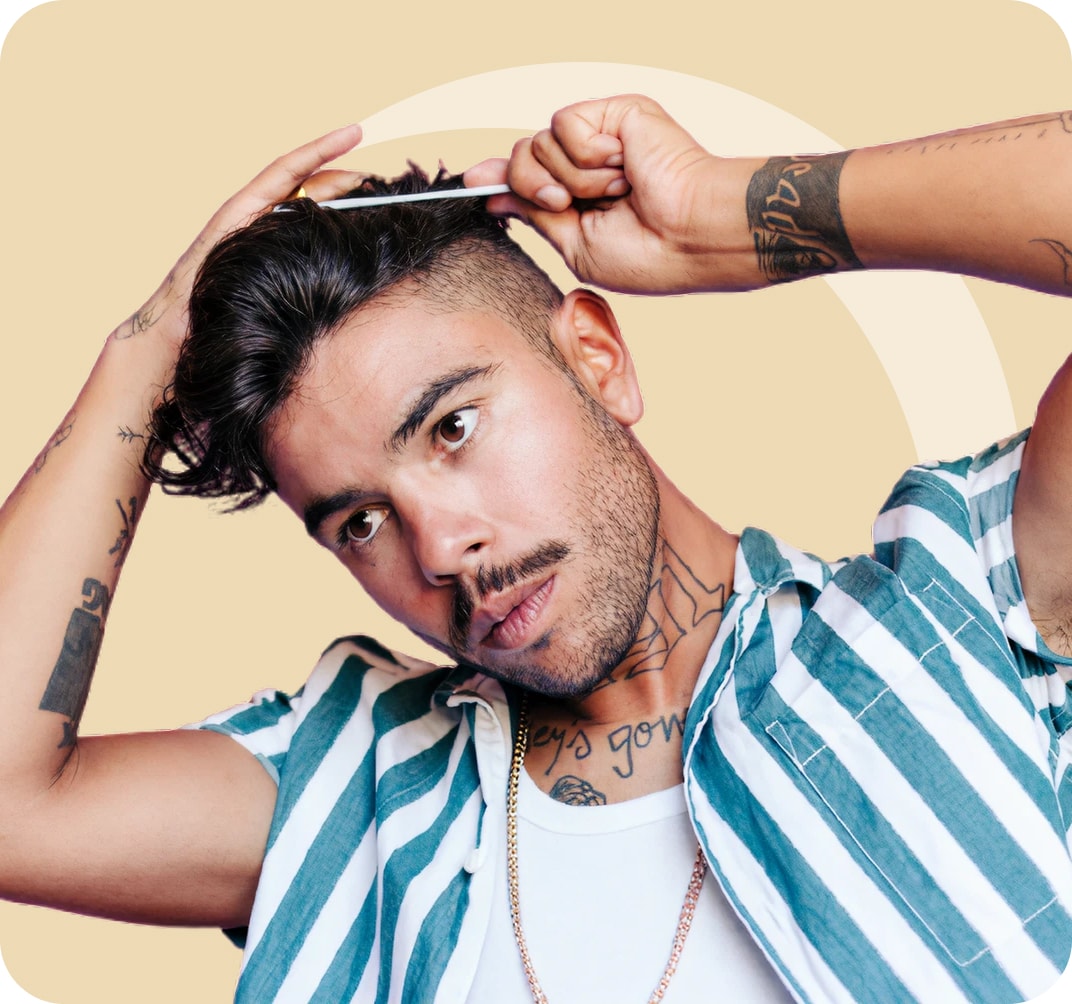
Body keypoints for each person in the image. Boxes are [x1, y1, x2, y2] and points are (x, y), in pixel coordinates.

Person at [0, 94, 1070, 1004]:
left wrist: (718, 219)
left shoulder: (965, 600)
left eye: (452, 427)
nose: (443, 545)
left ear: (597, 358)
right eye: (358, 521)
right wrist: (147, 351)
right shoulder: (353, 792)